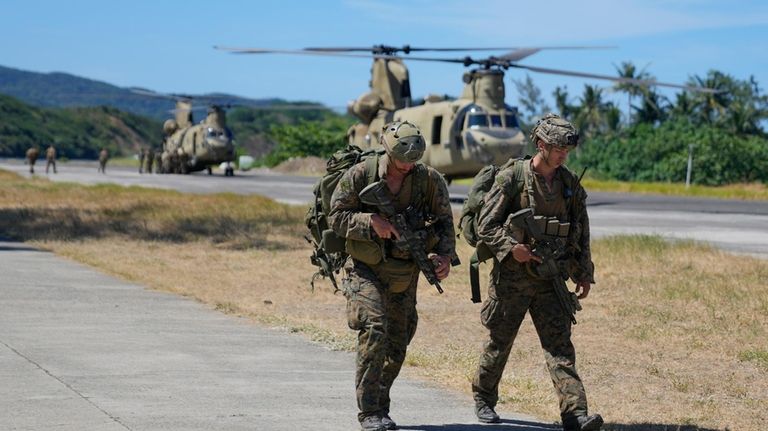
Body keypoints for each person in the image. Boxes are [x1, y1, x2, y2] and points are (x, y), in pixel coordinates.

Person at [471, 113, 603, 431]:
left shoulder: (569, 184)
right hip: (512, 278)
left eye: (566, 151)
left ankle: (575, 414)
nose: (562, 155)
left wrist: (583, 272)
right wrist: (510, 247)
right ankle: (483, 398)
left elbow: (580, 232)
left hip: (550, 278)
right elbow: (485, 224)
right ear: (541, 144)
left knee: (559, 347)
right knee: (499, 342)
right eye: (558, 148)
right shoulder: (513, 178)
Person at [329, 121, 457, 431]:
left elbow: (444, 224)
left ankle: (379, 403)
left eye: (414, 158)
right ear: (388, 149)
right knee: (375, 328)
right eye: (403, 158)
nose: (408, 164)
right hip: (365, 268)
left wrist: (443, 257)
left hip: (405, 270)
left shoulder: (429, 180)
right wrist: (370, 221)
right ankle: (370, 411)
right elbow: (336, 217)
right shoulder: (362, 174)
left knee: (398, 342)